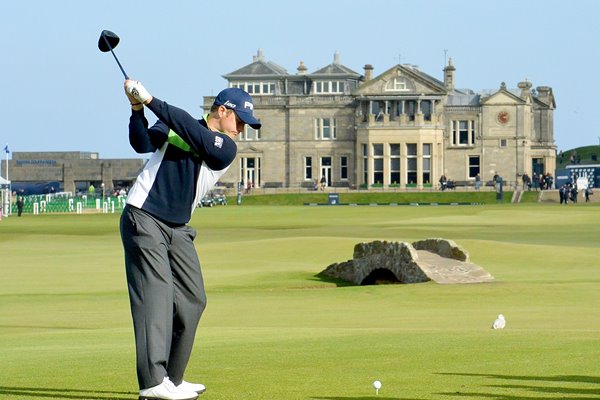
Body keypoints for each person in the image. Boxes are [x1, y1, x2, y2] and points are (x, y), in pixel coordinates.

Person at [120, 79, 261, 400]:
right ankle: (153, 382)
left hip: (178, 227)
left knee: (193, 300)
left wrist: (152, 99)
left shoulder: (224, 146)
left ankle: (172, 377)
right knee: (155, 296)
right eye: (239, 120)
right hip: (144, 216)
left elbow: (193, 133)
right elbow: (141, 143)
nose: (242, 128)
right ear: (222, 110)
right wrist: (137, 108)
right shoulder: (175, 126)